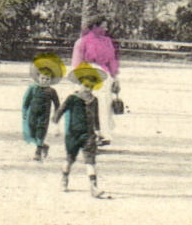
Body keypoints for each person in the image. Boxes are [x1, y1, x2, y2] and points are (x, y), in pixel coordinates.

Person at [54, 63, 110, 198]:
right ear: (79, 84)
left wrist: (98, 131)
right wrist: (56, 126)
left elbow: (96, 117)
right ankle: (64, 178)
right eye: (85, 86)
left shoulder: (94, 100)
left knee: (90, 160)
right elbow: (59, 112)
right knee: (69, 159)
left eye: (91, 87)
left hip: (88, 135)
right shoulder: (72, 98)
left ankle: (94, 186)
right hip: (73, 134)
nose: (87, 90)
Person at [71, 16, 120, 144]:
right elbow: (77, 63)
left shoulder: (107, 41)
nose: (106, 29)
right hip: (87, 74)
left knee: (105, 104)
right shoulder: (82, 42)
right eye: (103, 26)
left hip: (104, 75)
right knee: (89, 105)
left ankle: (104, 134)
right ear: (94, 27)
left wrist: (115, 78)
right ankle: (89, 135)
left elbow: (112, 61)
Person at [21, 55, 64, 161]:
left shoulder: (51, 91)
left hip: (44, 115)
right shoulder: (32, 88)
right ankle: (43, 146)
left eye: (47, 79)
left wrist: (56, 115)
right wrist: (24, 111)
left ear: (51, 80)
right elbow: (26, 101)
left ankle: (38, 151)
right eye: (43, 78)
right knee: (31, 133)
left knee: (41, 131)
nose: (45, 81)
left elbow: (57, 104)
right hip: (32, 114)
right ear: (38, 77)